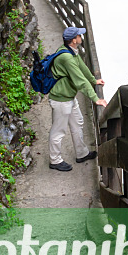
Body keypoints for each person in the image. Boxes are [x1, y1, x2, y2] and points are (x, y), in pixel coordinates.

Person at [48, 26, 106, 172]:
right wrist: (95, 98)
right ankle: (55, 160)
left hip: (69, 97)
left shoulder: (71, 51)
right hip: (61, 99)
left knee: (77, 123)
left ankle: (81, 153)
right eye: (80, 35)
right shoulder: (66, 57)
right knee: (58, 131)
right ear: (74, 40)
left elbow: (82, 67)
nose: (81, 37)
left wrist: (94, 80)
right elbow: (80, 80)